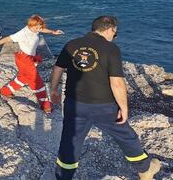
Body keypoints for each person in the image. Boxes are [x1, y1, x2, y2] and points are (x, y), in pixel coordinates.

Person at [49, 16, 161, 180]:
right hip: (104, 107)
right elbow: (116, 82)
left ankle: (63, 176)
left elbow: (58, 68)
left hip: (74, 104)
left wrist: (53, 90)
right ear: (111, 30)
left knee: (70, 141)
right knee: (126, 137)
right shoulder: (111, 49)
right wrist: (124, 107)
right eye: (115, 34)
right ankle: (145, 170)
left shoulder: (72, 44)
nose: (114, 37)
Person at [0, 15, 63, 113]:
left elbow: (42, 29)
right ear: (31, 25)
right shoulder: (22, 33)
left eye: (40, 27)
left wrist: (52, 32)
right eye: (37, 27)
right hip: (24, 60)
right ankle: (46, 106)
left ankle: (5, 91)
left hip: (29, 58)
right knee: (38, 83)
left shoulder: (35, 29)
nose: (39, 29)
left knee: (22, 78)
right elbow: (7, 39)